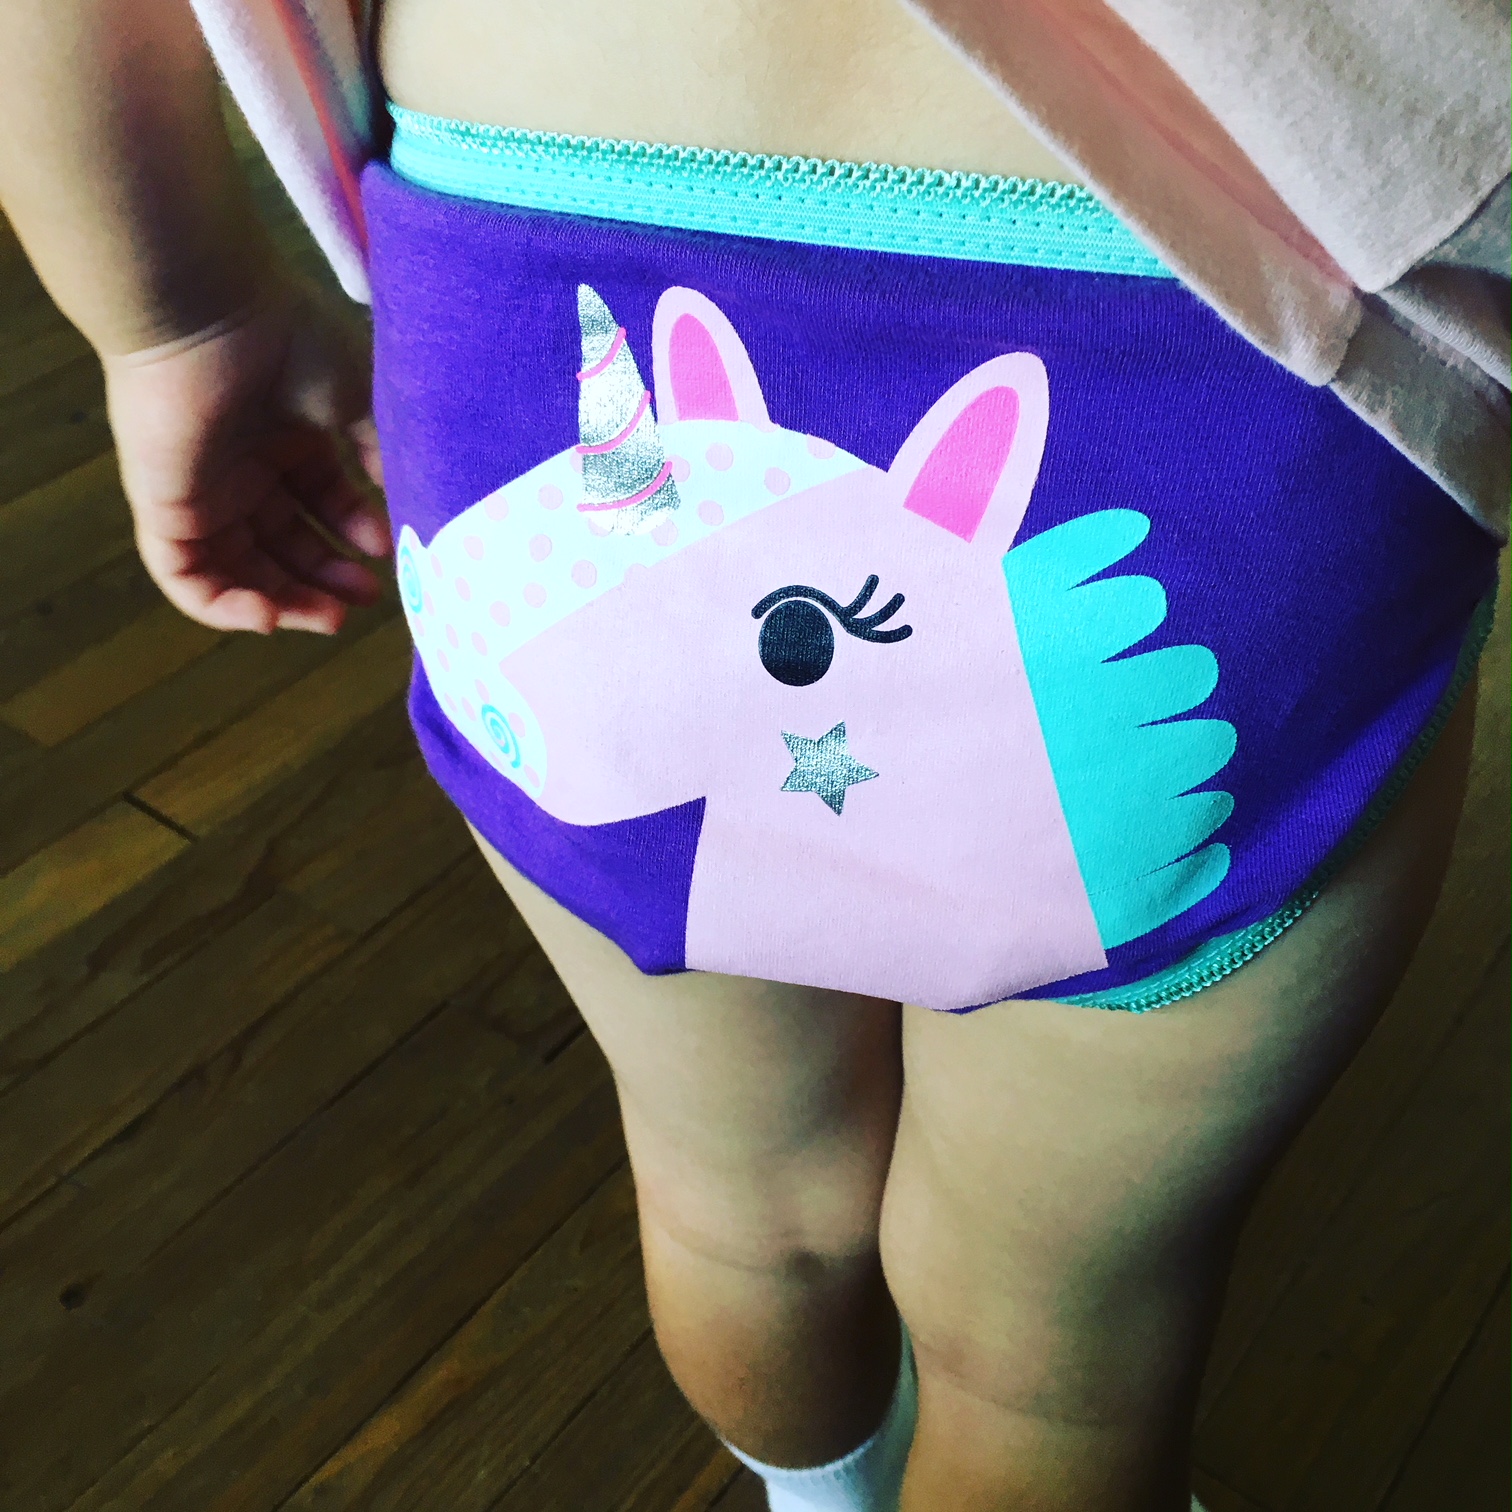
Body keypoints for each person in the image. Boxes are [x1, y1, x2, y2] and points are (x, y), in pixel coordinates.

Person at [0, 4, 1503, 1510]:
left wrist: (180, 324)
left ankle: (820, 1499)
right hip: (1243, 335)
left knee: (741, 1208)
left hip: (540, 231)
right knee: (1052, 1356)